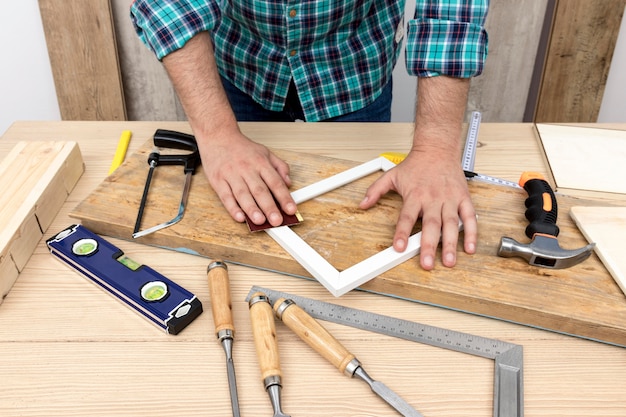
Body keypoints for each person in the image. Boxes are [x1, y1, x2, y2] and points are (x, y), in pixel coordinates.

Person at [130, 0, 489, 270]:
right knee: (240, 215)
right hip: (244, 58)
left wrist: (436, 148)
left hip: (354, 61)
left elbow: (452, 9)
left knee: (360, 228)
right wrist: (217, 134)